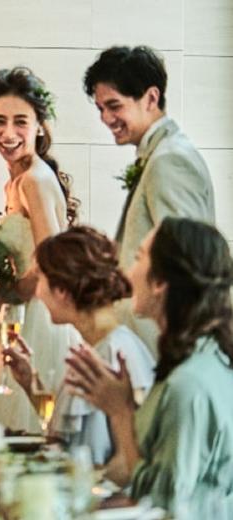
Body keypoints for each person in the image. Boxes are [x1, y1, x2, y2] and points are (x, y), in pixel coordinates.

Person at [66, 218, 233, 511]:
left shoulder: (189, 383)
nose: (128, 273)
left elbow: (163, 505)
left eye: (138, 258)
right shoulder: (201, 359)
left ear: (159, 283)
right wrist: (128, 404)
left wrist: (120, 413)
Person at [83, 45, 216, 356]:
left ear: (151, 98)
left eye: (114, 106)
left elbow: (187, 266)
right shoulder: (159, 154)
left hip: (163, 343)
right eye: (101, 108)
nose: (106, 118)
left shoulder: (170, 160)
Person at [0, 67, 81, 432]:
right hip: (16, 317)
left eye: (20, 121)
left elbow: (51, 267)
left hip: (38, 323)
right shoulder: (16, 181)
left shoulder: (34, 180)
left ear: (39, 125)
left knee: (24, 429)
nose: (8, 133)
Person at [4, 226, 155, 463]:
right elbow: (72, 431)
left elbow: (95, 458)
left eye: (39, 279)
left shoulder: (110, 356)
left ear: (62, 291)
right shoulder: (103, 346)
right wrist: (30, 382)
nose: (37, 292)